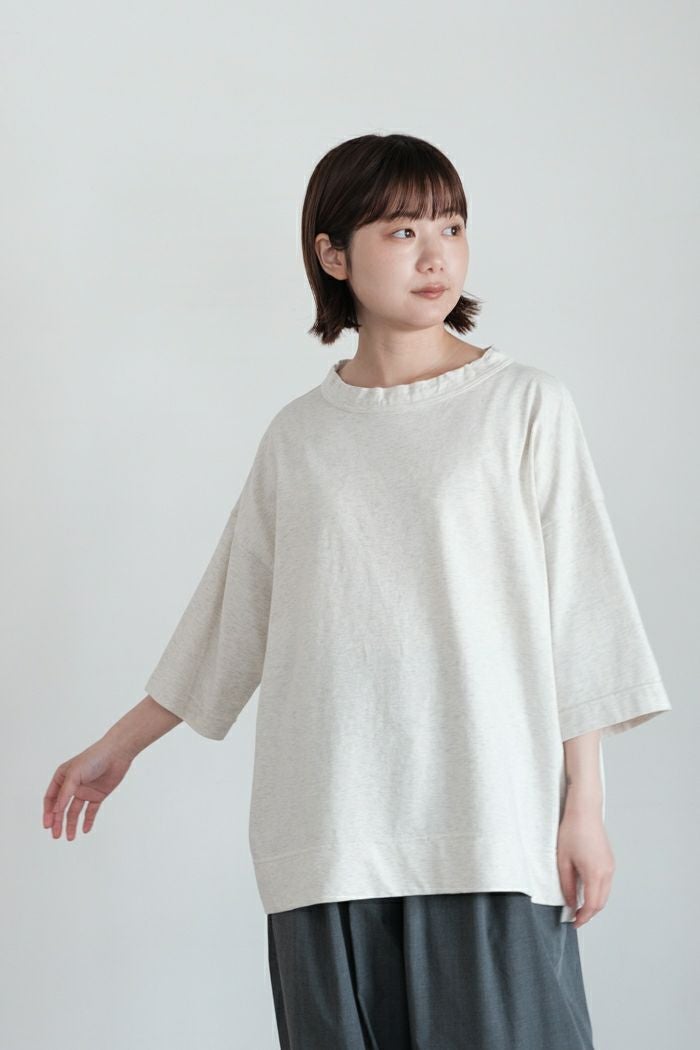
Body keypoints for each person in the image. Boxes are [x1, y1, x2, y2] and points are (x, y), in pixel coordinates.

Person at [43, 133, 672, 1049]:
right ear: (333, 255)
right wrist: (119, 746)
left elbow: (582, 612)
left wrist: (585, 809)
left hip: (486, 825)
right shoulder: (300, 436)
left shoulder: (524, 406)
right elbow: (233, 613)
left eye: (452, 227)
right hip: (327, 832)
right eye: (403, 230)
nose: (436, 255)